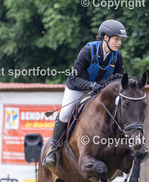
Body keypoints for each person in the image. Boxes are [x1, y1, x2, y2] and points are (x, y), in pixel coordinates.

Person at [42, 19, 127, 168]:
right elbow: (74, 78)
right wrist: (91, 85)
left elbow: (120, 79)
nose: (119, 43)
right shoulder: (88, 51)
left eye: (120, 40)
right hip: (77, 88)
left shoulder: (117, 55)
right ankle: (53, 151)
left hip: (99, 91)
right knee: (65, 114)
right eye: (116, 39)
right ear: (105, 38)